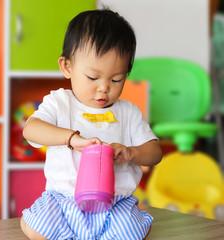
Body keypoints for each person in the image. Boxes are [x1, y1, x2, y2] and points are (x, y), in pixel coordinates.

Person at [20, 9, 163, 240]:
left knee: (131, 231)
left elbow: (154, 153)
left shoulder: (128, 112)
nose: (104, 88)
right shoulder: (60, 102)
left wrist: (131, 152)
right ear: (67, 67)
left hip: (115, 205)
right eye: (93, 78)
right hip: (63, 201)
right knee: (37, 227)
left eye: (116, 79)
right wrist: (72, 139)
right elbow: (31, 130)